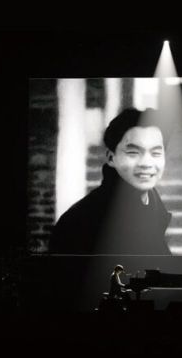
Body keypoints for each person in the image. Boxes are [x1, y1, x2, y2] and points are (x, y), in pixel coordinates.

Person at [49, 108, 172, 255]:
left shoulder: (154, 208)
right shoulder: (79, 221)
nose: (146, 163)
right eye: (133, 152)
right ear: (110, 157)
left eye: (156, 153)